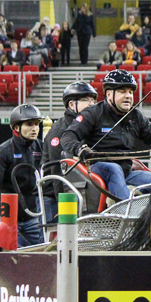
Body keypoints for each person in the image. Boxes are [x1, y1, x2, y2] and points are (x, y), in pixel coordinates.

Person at [60, 70, 151, 201]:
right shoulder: (93, 113)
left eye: (130, 92)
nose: (128, 96)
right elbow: (68, 137)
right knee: (114, 169)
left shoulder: (136, 116)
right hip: (97, 168)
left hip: (126, 172)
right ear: (109, 94)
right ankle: (126, 211)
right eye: (122, 91)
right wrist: (80, 149)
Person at [0, 104, 45, 247]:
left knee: (47, 254)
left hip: (32, 217)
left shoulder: (41, 148)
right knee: (0, 255)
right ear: (16, 127)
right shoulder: (4, 151)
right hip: (5, 216)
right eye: (29, 124)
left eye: (36, 124)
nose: (35, 128)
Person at [41, 82, 99, 219]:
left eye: (93, 100)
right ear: (72, 105)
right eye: (85, 100)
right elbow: (57, 170)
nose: (91, 104)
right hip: (55, 197)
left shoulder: (89, 127)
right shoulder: (59, 131)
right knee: (59, 232)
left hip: (81, 191)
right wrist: (63, 206)